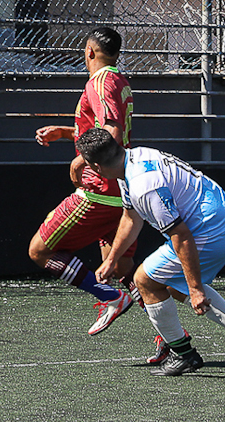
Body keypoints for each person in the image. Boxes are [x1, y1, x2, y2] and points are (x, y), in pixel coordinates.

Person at [77, 128, 225, 376]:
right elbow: (130, 216)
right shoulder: (131, 160)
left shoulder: (142, 185)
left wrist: (195, 288)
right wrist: (112, 260)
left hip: (213, 229)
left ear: (94, 166)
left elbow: (181, 236)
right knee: (165, 282)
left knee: (144, 281)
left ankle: (183, 355)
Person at [30, 26, 141, 338]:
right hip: (122, 191)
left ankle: (110, 298)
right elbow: (102, 127)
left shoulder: (100, 80)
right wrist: (66, 133)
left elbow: (112, 131)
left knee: (39, 251)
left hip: (99, 191)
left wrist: (83, 158)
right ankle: (172, 340)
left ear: (89, 52)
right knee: (122, 269)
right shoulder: (118, 80)